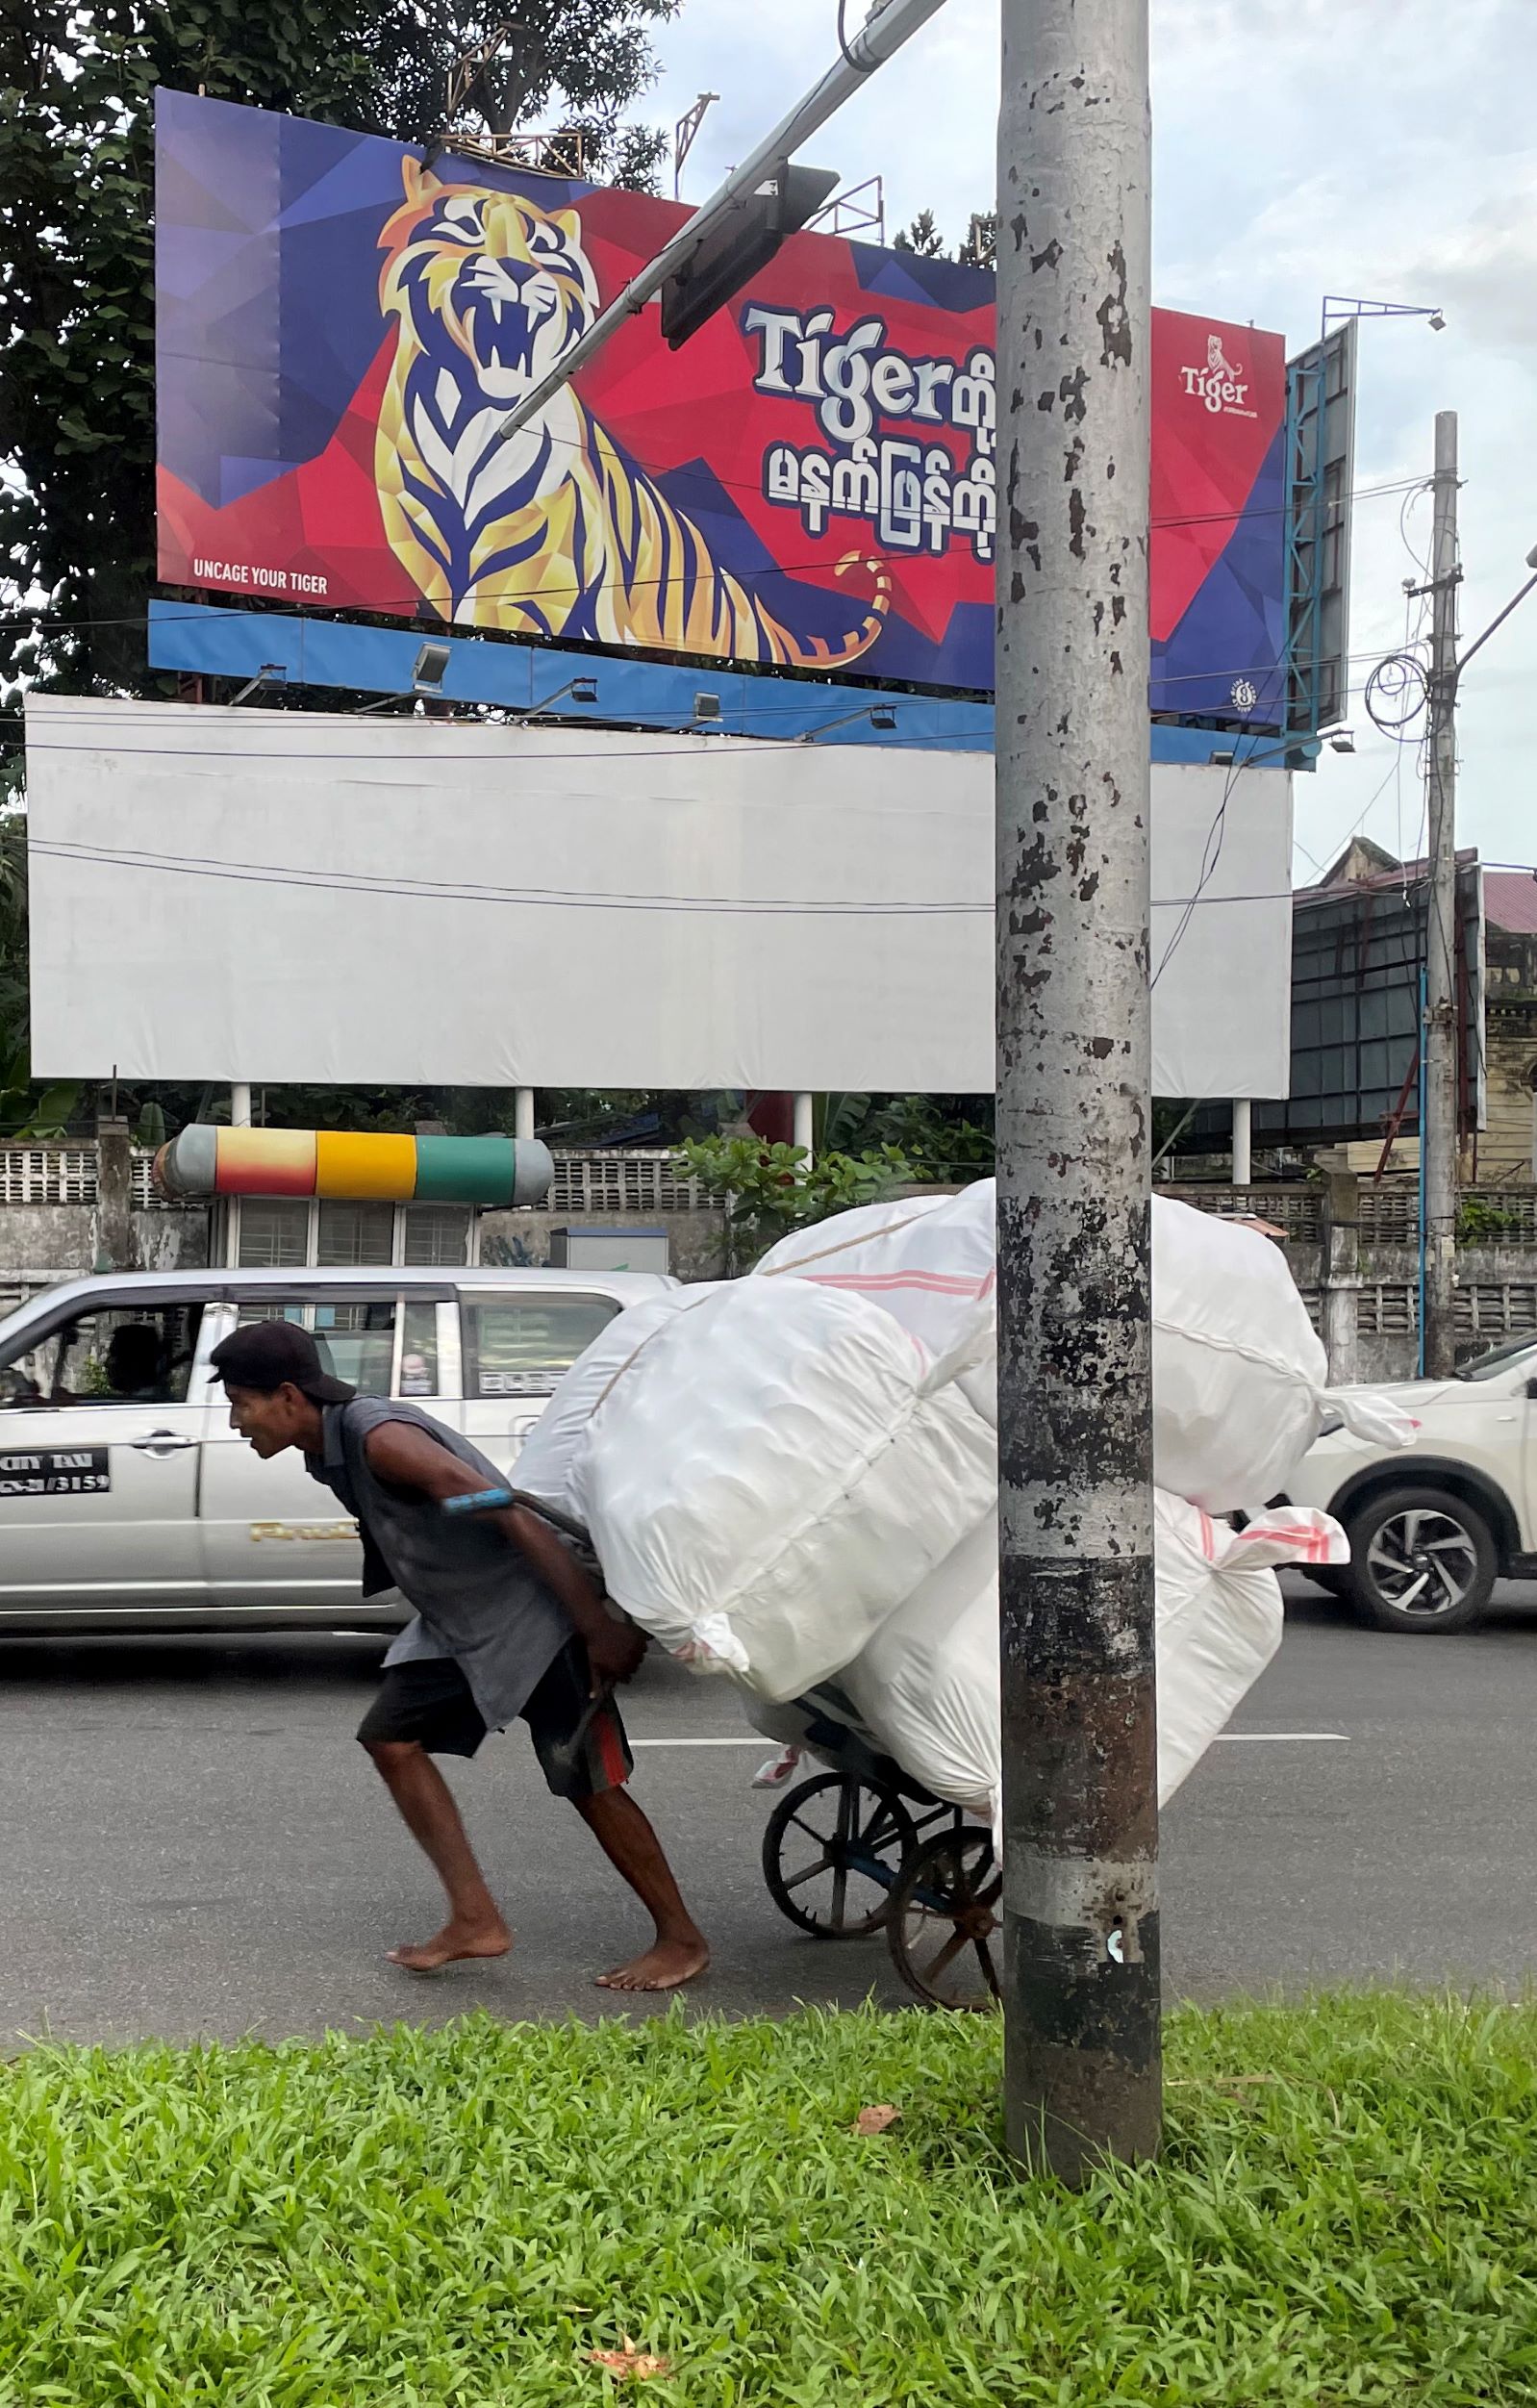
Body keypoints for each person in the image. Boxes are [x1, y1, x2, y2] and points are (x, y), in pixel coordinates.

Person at [208, 1319, 709, 1991]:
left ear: (290, 1396)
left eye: (243, 1402)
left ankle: (681, 1937)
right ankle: (475, 1918)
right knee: (391, 1738)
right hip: (465, 1625)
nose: (239, 1422)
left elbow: (507, 1510)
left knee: (588, 1782)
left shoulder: (382, 1440)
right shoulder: (327, 1446)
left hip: (538, 1619)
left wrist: (596, 1626)